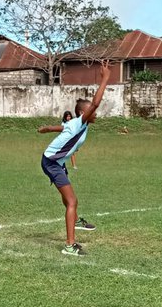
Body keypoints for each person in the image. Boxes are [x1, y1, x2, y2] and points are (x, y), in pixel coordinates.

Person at [39, 60, 111, 256]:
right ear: (83, 112)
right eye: (91, 111)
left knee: (68, 200)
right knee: (72, 201)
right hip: (52, 163)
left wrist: (46, 129)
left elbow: (62, 128)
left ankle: (75, 219)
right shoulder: (80, 122)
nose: (95, 112)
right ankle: (70, 246)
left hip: (55, 162)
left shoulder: (77, 124)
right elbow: (95, 102)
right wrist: (105, 79)